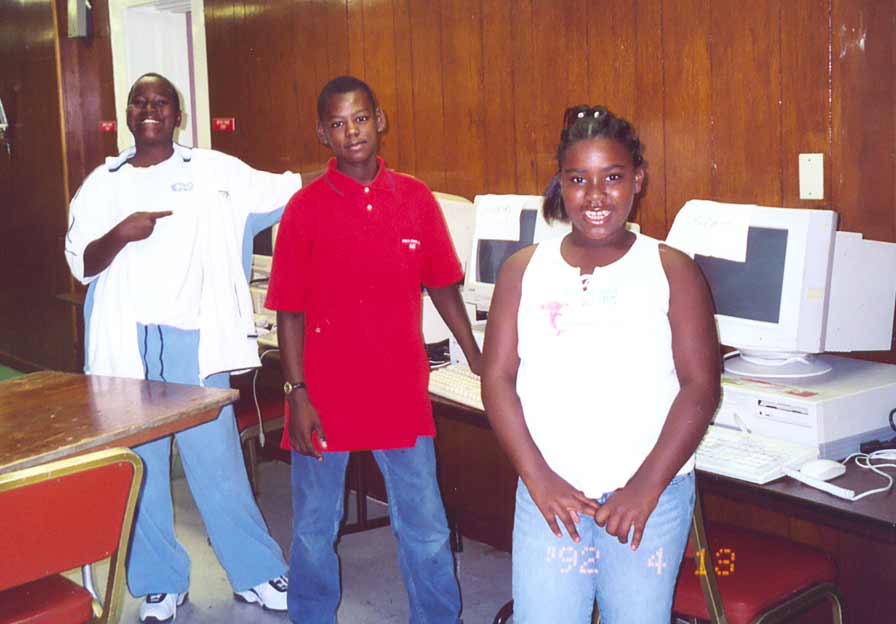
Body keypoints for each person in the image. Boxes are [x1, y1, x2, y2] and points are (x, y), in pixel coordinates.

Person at [64, 72, 322, 623]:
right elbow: (82, 266)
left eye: (162, 103)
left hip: (193, 342)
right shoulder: (101, 184)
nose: (150, 110)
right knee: (143, 465)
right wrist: (122, 232)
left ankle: (256, 572)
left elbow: (289, 190)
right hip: (124, 343)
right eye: (141, 102)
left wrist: (346, 167)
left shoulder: (211, 171)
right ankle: (160, 582)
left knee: (218, 460)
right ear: (127, 114)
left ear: (177, 116)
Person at [480, 105, 721, 623]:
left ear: (638, 178)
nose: (595, 196)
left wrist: (645, 488)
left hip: (647, 498)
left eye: (612, 177)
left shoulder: (671, 269)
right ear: (560, 185)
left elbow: (700, 386)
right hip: (550, 492)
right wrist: (538, 479)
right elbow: (496, 379)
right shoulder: (524, 269)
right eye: (577, 179)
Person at [265, 75, 481, 624]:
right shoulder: (305, 209)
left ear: (379, 120)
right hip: (323, 396)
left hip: (398, 392)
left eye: (360, 118)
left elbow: (442, 285)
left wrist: (474, 353)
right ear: (322, 133)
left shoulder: (414, 198)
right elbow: (288, 309)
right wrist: (296, 392)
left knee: (426, 528)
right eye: (337, 123)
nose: (351, 131)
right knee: (315, 529)